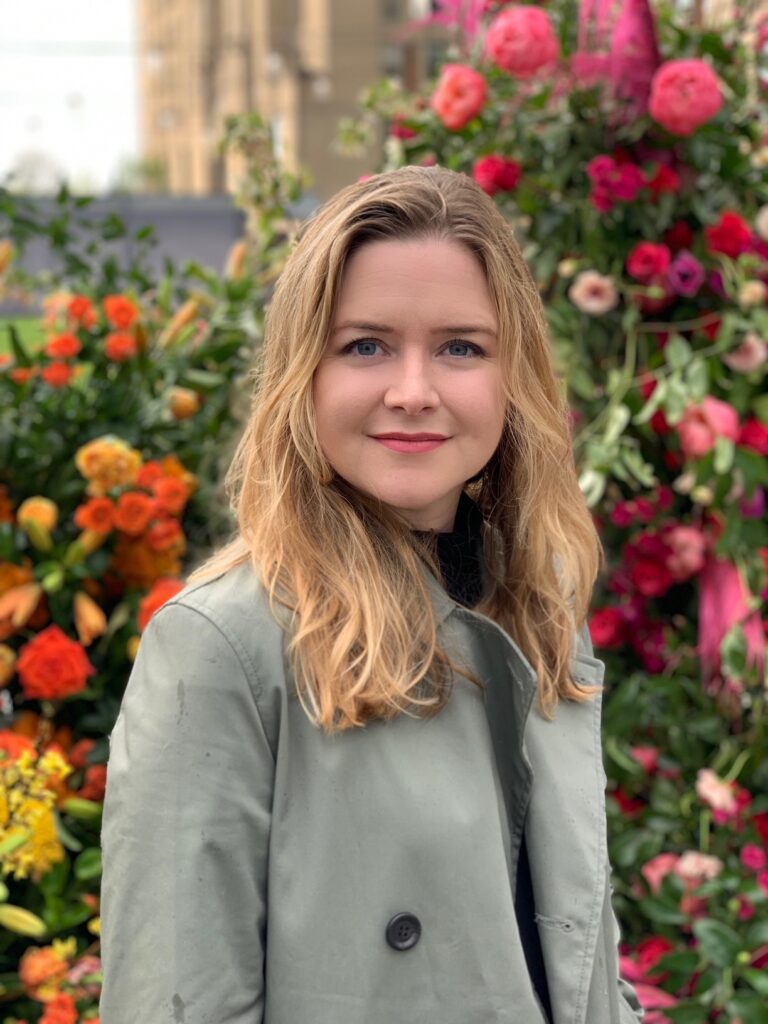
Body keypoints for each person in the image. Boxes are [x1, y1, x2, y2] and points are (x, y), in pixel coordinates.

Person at [100, 165, 644, 1024]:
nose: (414, 390)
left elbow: (574, 954)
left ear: (514, 377)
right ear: (303, 373)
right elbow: (175, 1002)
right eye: (366, 345)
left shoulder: (537, 608)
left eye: (461, 346)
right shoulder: (225, 645)